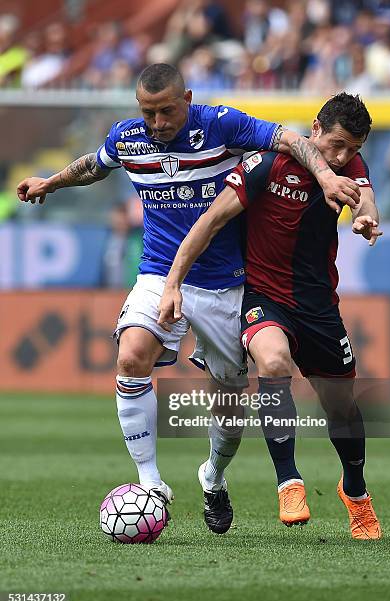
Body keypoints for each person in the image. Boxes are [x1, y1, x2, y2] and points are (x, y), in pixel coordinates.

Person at [17, 64, 360, 535]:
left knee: (229, 405)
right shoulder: (128, 137)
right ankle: (151, 484)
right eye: (148, 112)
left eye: (166, 111)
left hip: (228, 280)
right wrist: (48, 182)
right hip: (160, 271)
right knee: (132, 355)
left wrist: (323, 176)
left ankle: (213, 477)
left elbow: (291, 140)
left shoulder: (221, 124)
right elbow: (94, 166)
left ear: (188, 99)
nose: (157, 122)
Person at [158, 92, 382, 540]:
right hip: (264, 296)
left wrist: (366, 219)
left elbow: (367, 201)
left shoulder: (350, 169)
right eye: (336, 144)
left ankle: (355, 492)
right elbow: (210, 221)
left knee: (341, 407)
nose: (342, 157)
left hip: (319, 305)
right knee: (273, 361)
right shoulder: (266, 164)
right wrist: (172, 282)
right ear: (314, 129)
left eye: (352, 149)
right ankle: (288, 481)